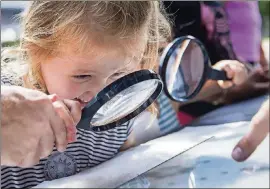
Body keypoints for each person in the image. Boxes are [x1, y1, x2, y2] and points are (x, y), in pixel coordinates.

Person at [0, 1, 171, 188]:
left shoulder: (119, 114)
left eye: (118, 74)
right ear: (35, 53)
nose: (101, 93)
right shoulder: (12, 106)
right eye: (82, 76)